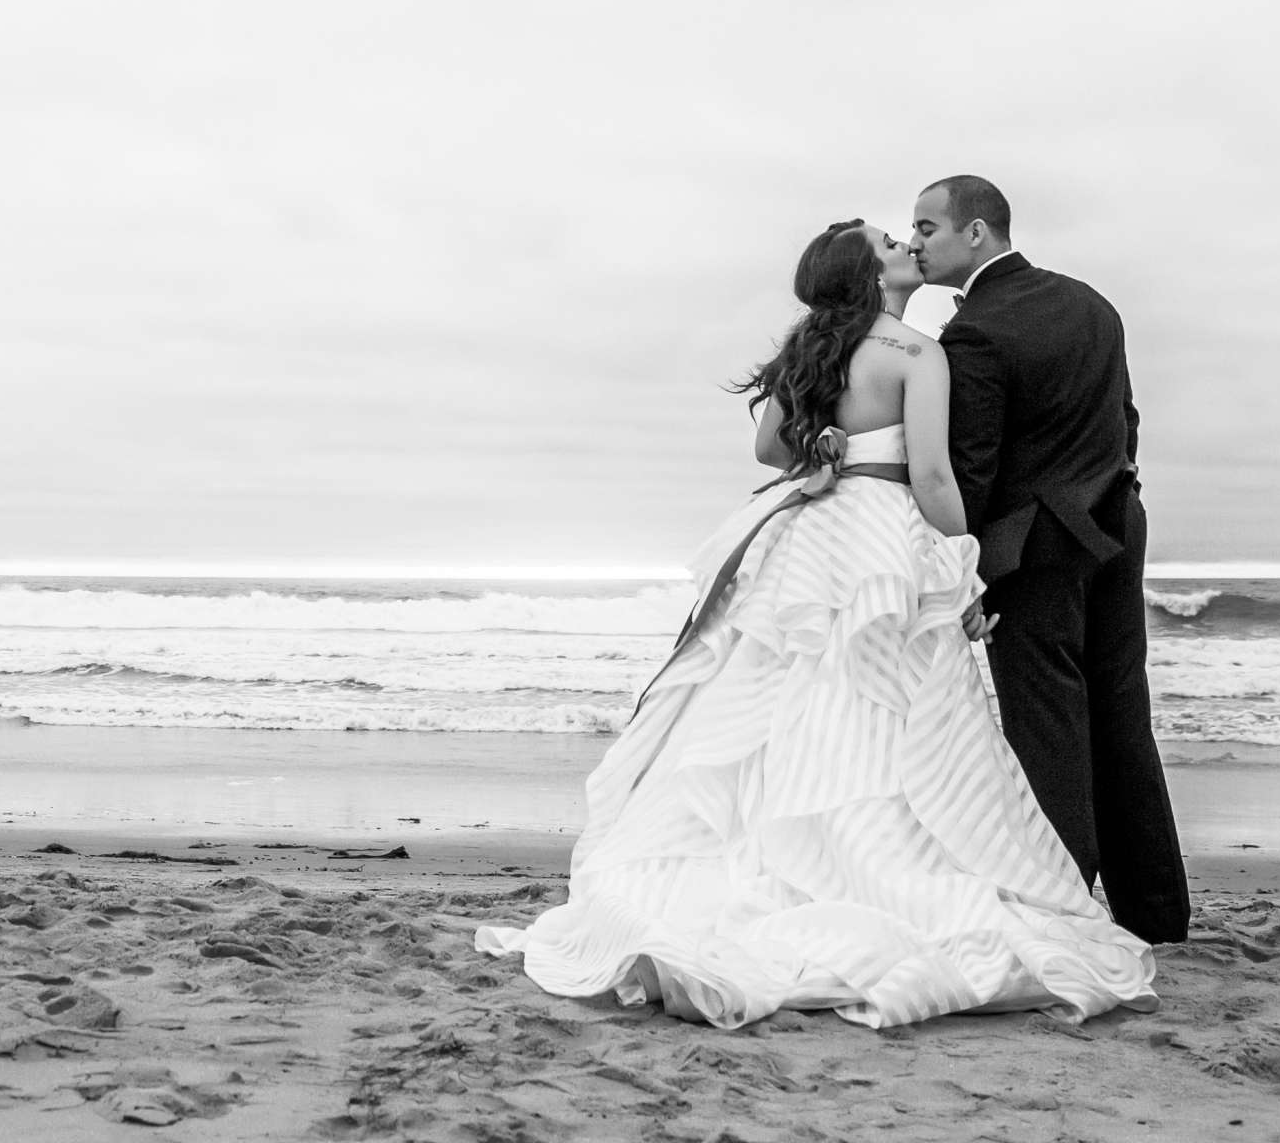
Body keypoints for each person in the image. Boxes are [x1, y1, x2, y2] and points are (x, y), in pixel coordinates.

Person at [475, 220, 1158, 1029]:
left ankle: (785, 850)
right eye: (889, 242)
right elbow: (936, 477)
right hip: (882, 532)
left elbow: (771, 449)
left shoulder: (810, 347)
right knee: (885, 706)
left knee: (787, 699)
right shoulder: (914, 353)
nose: (906, 244)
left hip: (813, 528)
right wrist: (965, 565)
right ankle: (859, 860)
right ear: (870, 274)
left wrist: (823, 448)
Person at [908, 175, 1190, 945]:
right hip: (1117, 530)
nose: (917, 243)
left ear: (976, 233)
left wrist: (963, 576)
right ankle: (1156, 911)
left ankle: (1063, 905)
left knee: (1049, 729)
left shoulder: (975, 334)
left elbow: (973, 470)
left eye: (927, 227)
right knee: (1123, 713)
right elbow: (1125, 421)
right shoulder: (1093, 304)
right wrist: (1111, 495)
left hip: (1036, 551)